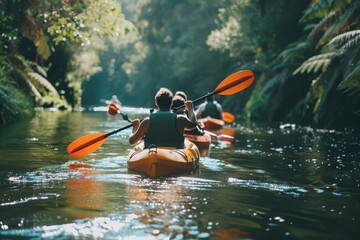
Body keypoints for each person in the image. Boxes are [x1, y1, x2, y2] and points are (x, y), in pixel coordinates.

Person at [129, 87, 198, 148]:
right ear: (171, 103)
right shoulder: (180, 119)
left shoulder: (147, 121)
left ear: (156, 103)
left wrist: (135, 127)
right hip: (175, 155)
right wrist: (190, 108)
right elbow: (194, 124)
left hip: (152, 154)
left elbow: (132, 141)